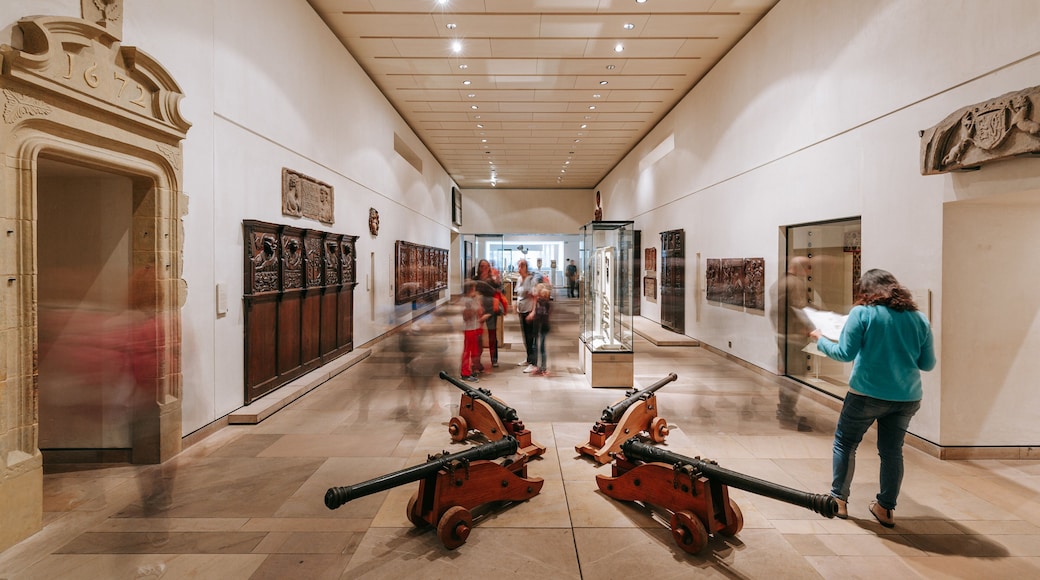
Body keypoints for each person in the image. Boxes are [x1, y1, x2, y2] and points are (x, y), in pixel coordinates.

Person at [809, 269, 935, 527]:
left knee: (845, 443)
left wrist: (820, 340)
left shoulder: (862, 313)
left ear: (866, 291)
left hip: (866, 394)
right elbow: (927, 363)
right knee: (892, 451)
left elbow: (844, 353)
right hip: (907, 397)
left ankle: (839, 500)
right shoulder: (918, 318)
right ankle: (885, 508)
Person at [769, 256, 815, 431]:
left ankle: (785, 410)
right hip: (793, 336)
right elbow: (799, 308)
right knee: (795, 375)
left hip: (783, 333)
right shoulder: (795, 283)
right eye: (808, 267)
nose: (809, 271)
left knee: (789, 373)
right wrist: (809, 327)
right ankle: (787, 414)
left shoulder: (780, 282)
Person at [472, 259, 505, 369]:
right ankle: (476, 360)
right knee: (477, 335)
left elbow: (501, 290)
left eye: (486, 266)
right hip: (478, 309)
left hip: (491, 309)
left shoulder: (492, 280)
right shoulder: (475, 279)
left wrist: (498, 283)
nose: (484, 268)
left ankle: (494, 359)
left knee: (492, 334)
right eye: (482, 266)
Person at [515, 259, 545, 373]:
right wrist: (516, 305)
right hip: (521, 310)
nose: (519, 268)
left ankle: (534, 363)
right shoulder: (519, 279)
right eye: (518, 266)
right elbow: (518, 294)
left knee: (531, 337)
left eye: (521, 266)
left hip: (529, 310)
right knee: (525, 336)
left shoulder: (531, 279)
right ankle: (528, 359)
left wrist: (533, 311)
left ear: (526, 267)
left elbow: (534, 296)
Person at [460, 281, 489, 382]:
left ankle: (469, 369)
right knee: (467, 351)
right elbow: (466, 316)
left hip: (474, 327)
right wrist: (475, 309)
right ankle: (465, 373)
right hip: (469, 329)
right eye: (473, 289)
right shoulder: (467, 301)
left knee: (474, 351)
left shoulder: (473, 299)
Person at [527, 282, 552, 376]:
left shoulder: (544, 304)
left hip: (542, 328)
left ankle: (543, 367)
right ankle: (536, 366)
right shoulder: (538, 303)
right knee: (535, 347)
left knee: (541, 347)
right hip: (538, 327)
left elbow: (542, 316)